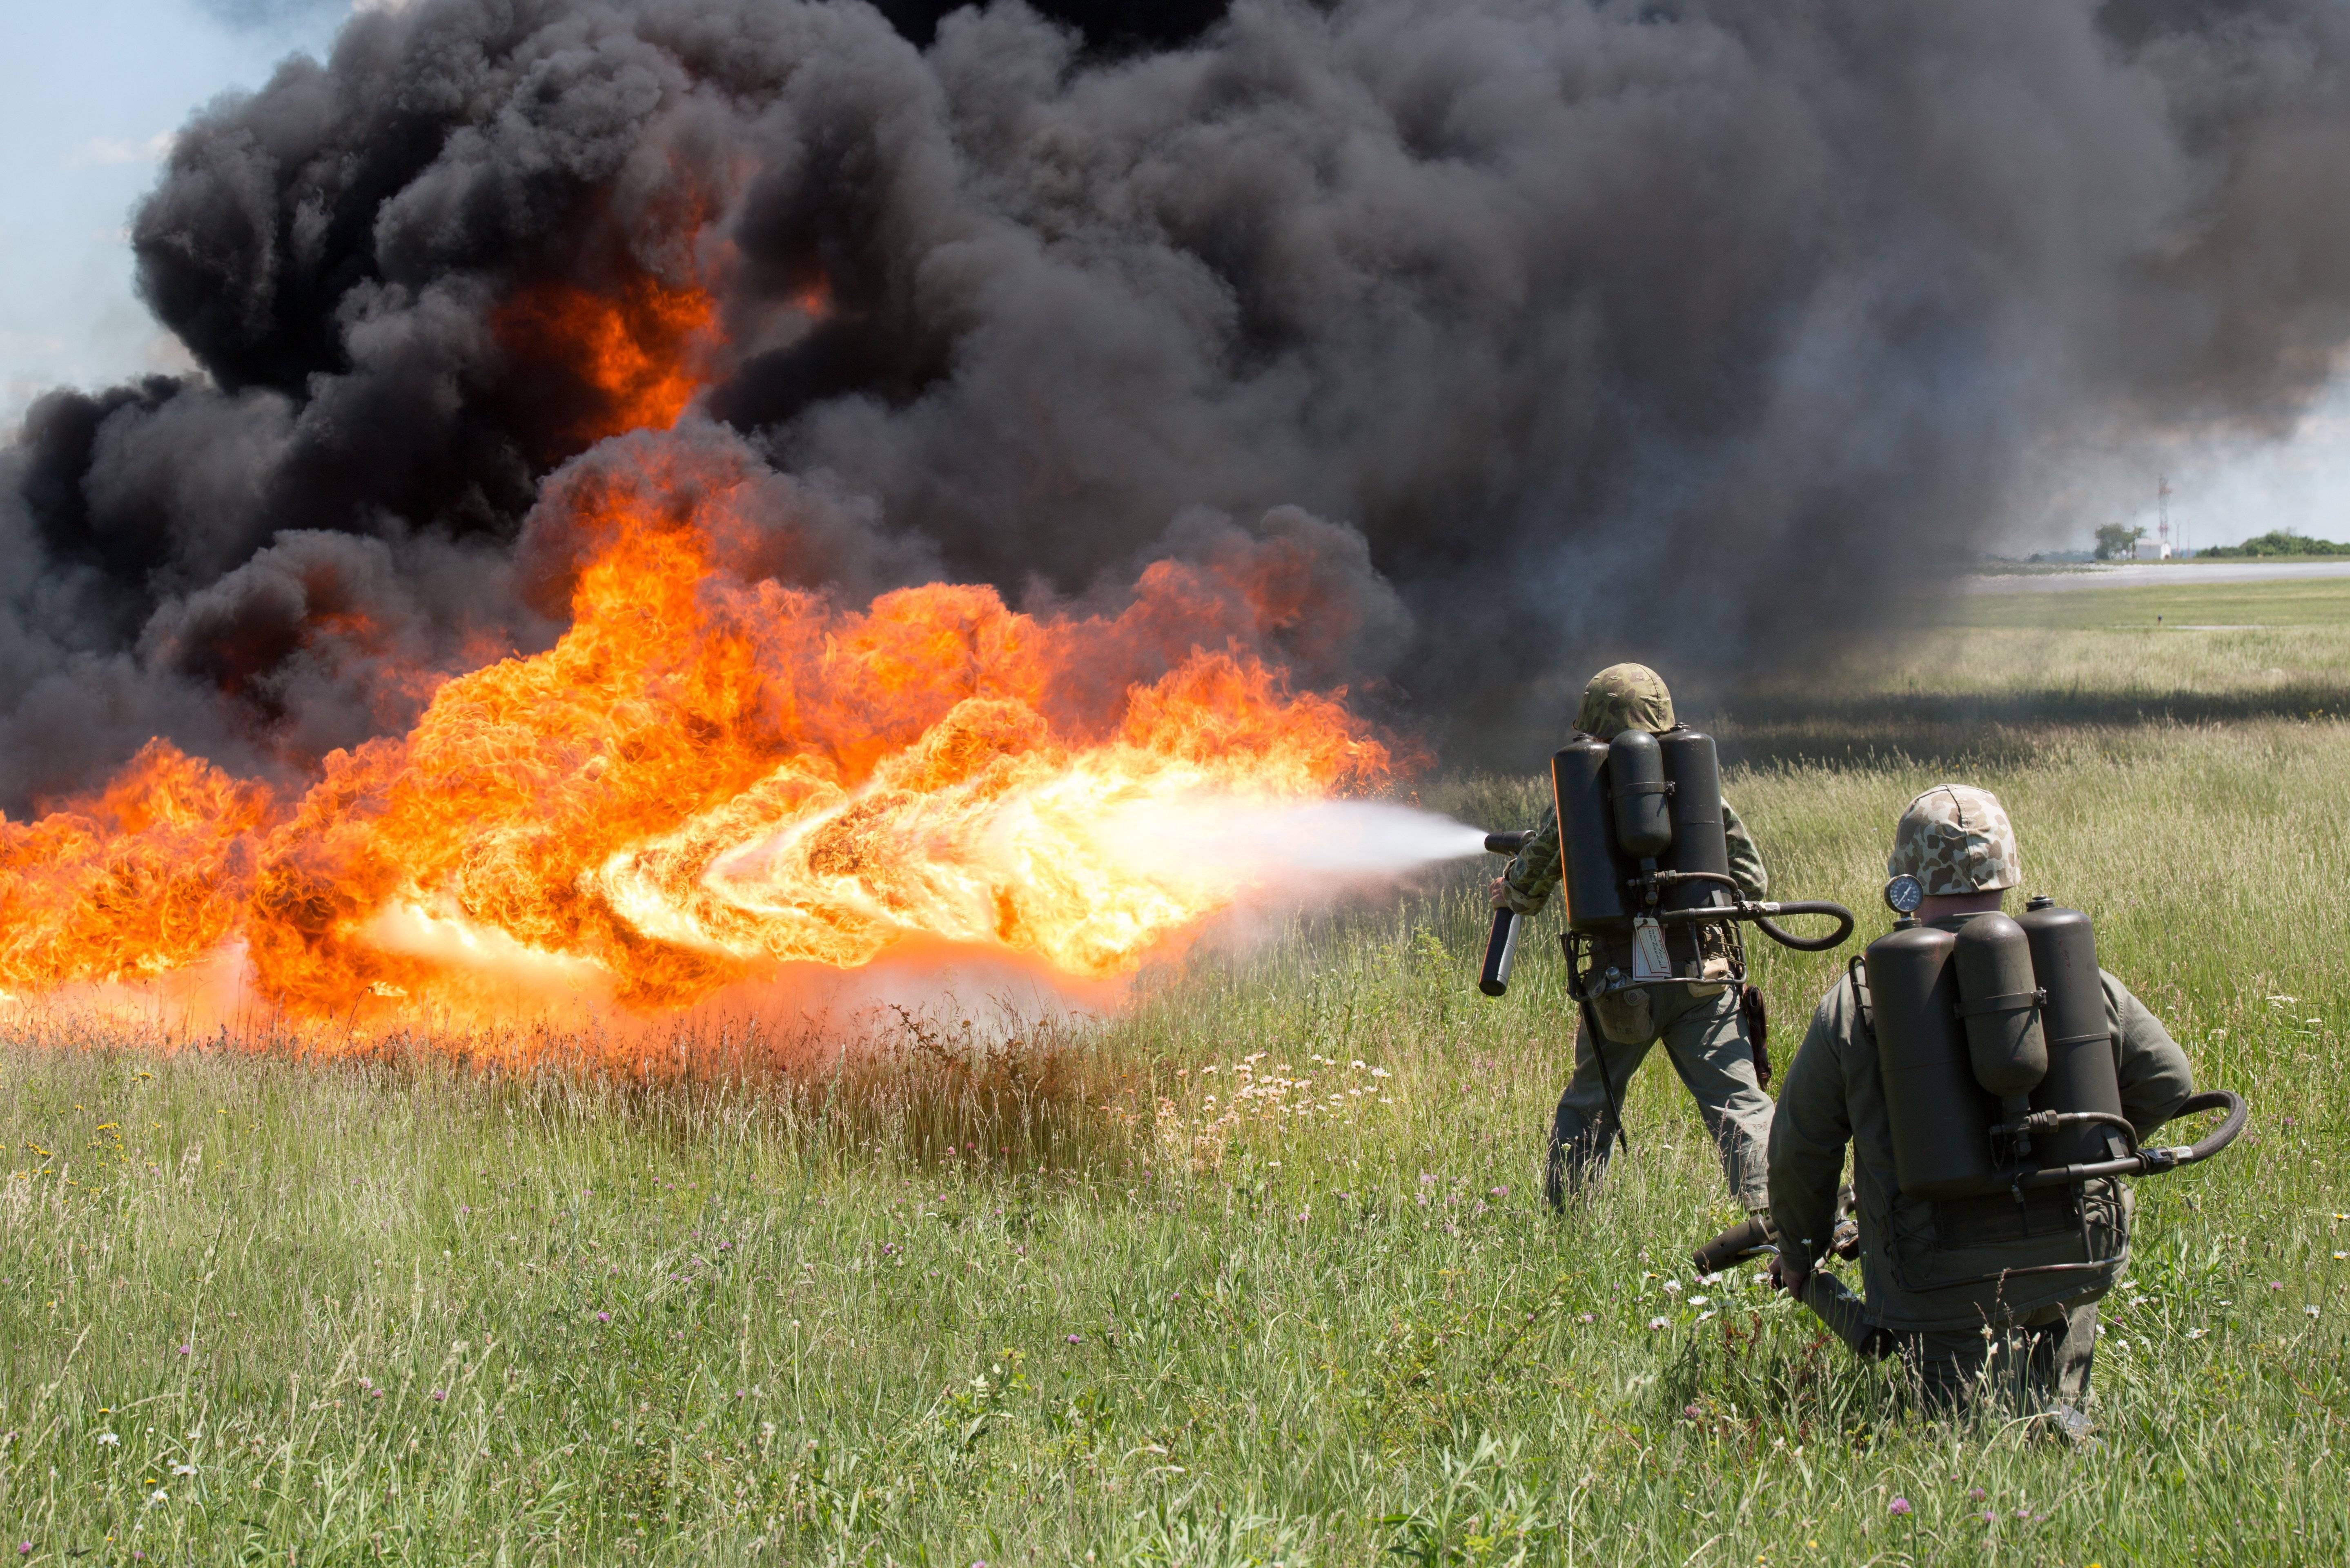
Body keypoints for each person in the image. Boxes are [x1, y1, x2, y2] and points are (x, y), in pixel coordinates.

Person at [1766, 784, 2196, 1427]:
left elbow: (1803, 1149)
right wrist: (2080, 1152)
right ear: (2008, 869)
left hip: (1933, 1278)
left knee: (1965, 1461)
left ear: (1905, 881)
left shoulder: (1859, 1001)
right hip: (2069, 1257)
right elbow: (2167, 1078)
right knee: (2060, 1430)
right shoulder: (2067, 970)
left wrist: (1801, 1260)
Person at [1491, 663, 1775, 1215]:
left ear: (1592, 721)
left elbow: (1530, 880)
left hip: (1622, 982)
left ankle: (1567, 1224)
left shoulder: (1580, 790)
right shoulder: (1697, 785)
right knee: (1739, 1103)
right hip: (1702, 975)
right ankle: (1777, 1223)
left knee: (1592, 1104)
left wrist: (1511, 890)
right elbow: (1753, 882)